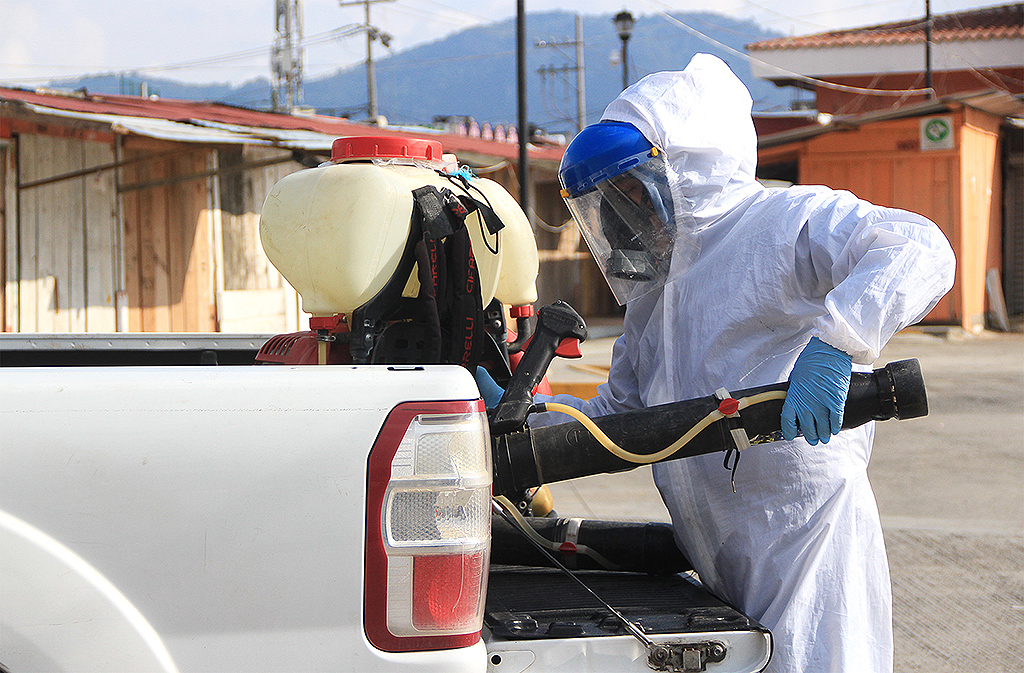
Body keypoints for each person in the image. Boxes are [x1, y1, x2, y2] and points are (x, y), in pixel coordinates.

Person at [478, 53, 955, 672]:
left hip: (804, 536)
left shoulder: (781, 224)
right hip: (712, 545)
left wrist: (838, 343)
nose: (623, 217)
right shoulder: (657, 297)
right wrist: (515, 424)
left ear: (687, 168)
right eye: (608, 203)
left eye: (629, 191)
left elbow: (919, 249)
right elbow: (612, 420)